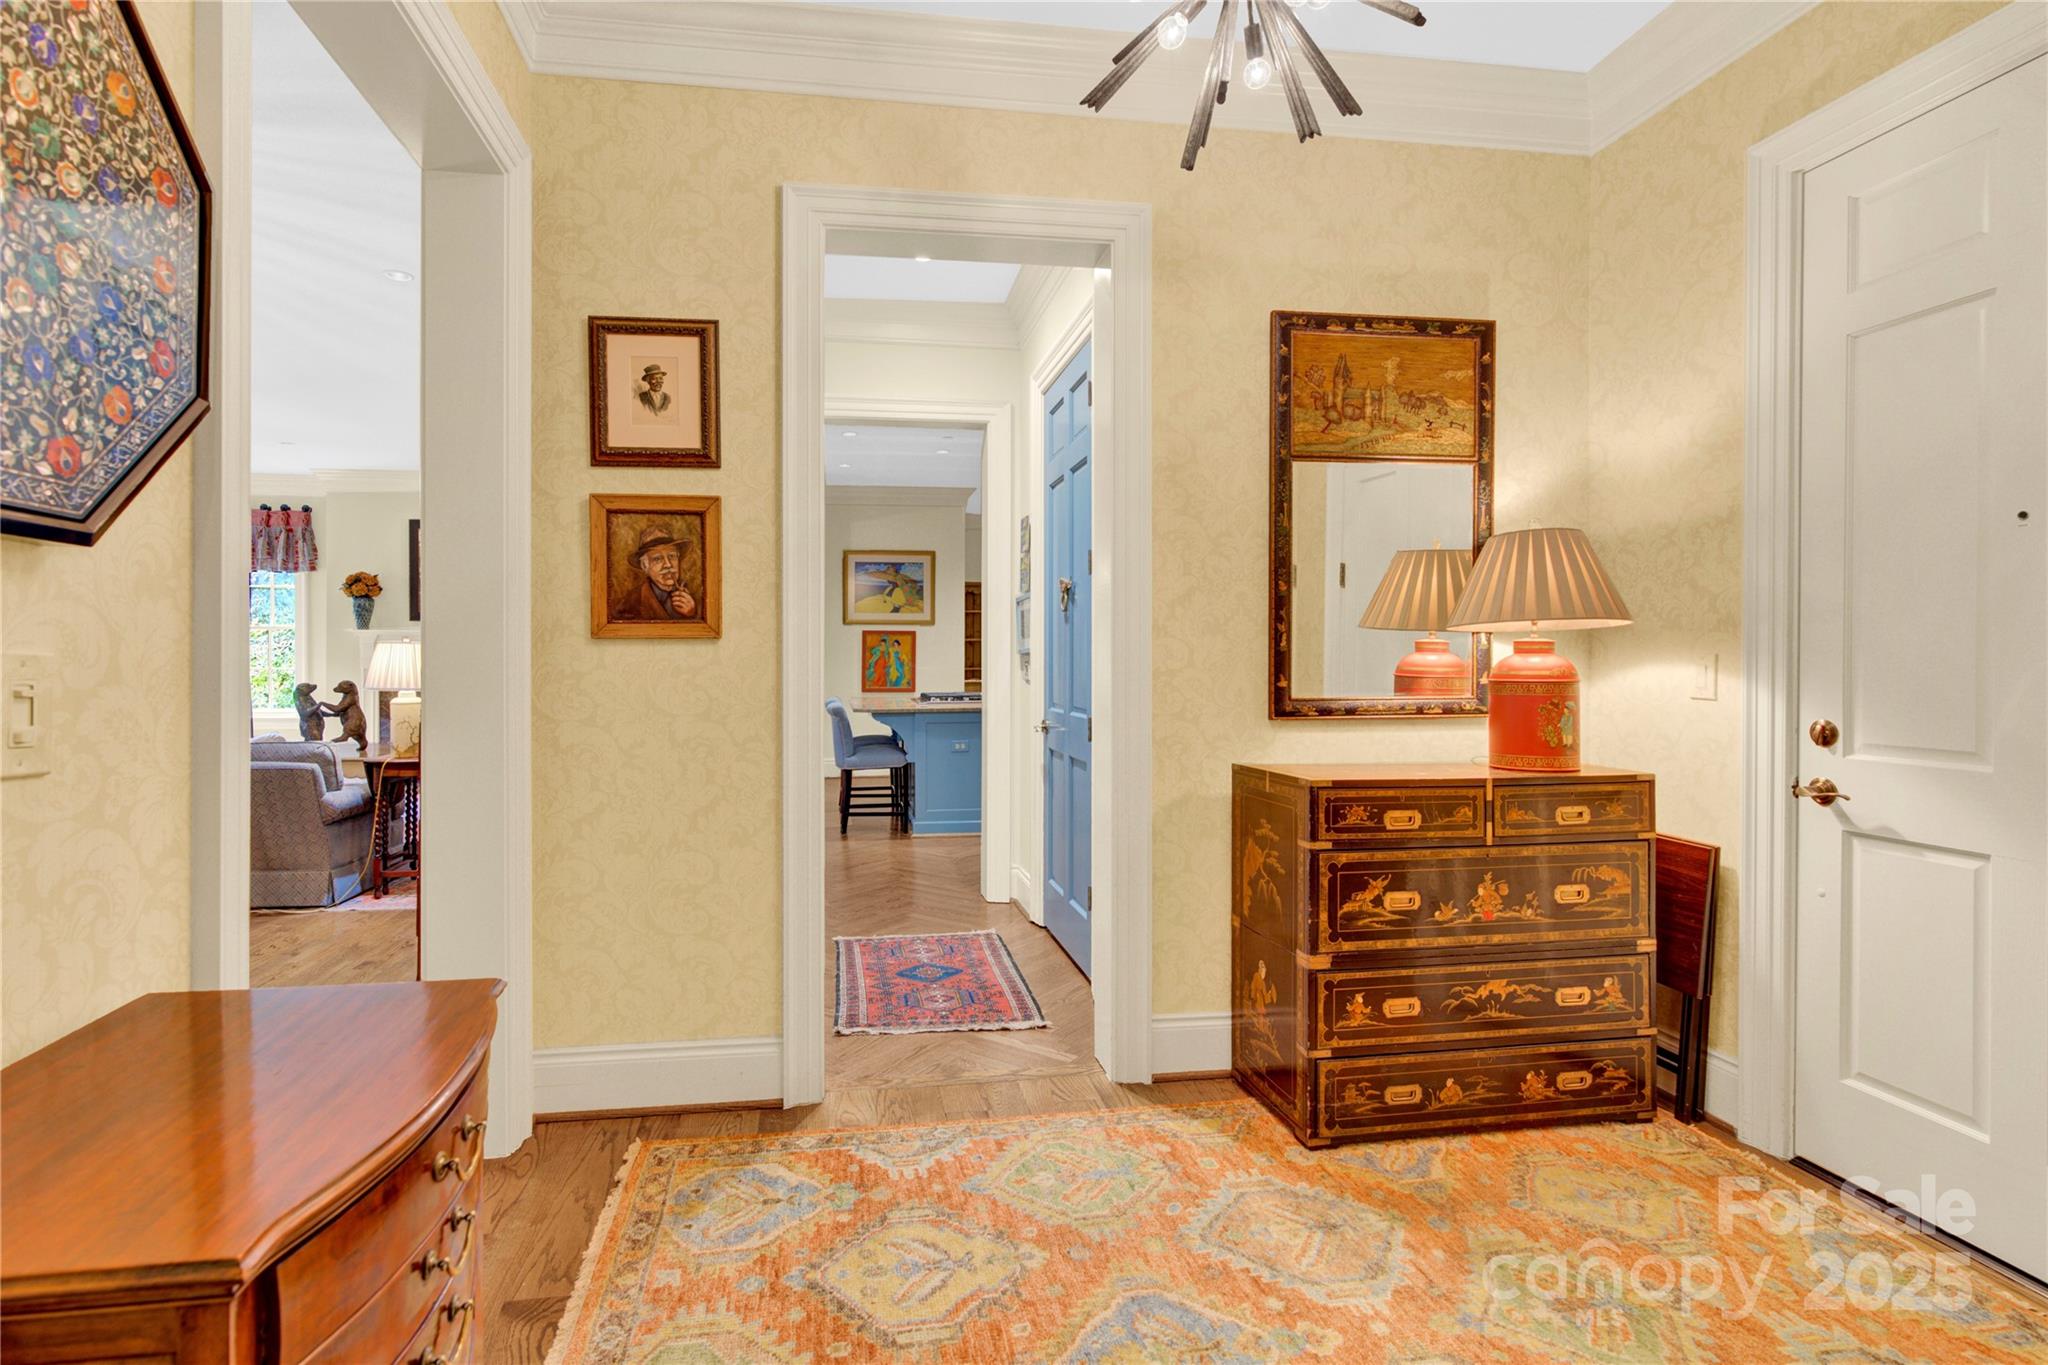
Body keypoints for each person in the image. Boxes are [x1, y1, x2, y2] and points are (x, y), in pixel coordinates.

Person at [616, 524, 697, 620]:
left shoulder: (692, 594)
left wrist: (692, 614)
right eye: (657, 559)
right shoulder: (631, 603)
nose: (668, 565)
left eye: (672, 556)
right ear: (645, 566)